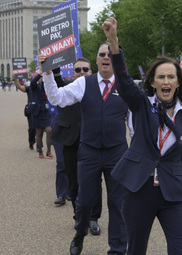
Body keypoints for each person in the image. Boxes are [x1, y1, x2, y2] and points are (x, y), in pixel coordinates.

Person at [102, 17, 182, 255]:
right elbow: (125, 81)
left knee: (181, 252)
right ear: (152, 82)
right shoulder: (140, 103)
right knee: (136, 250)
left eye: (171, 77)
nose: (166, 81)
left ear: (178, 82)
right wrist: (114, 43)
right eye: (161, 77)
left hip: (174, 193)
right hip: (139, 190)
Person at [41, 43, 129, 254]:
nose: (105, 57)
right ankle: (80, 234)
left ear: (117, 59)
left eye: (110, 54)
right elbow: (57, 98)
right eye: (101, 54)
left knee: (119, 203)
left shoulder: (126, 87)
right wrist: (47, 73)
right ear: (96, 60)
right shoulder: (84, 83)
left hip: (116, 152)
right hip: (89, 152)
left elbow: (134, 126)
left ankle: (117, 249)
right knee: (84, 201)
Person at [51, 58, 103, 234]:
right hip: (71, 141)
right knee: (74, 182)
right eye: (78, 70)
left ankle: (94, 218)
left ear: (91, 71)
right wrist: (53, 59)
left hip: (94, 141)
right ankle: (79, 217)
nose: (81, 72)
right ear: (73, 73)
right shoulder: (68, 88)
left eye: (85, 69)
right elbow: (56, 81)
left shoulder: (99, 88)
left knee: (95, 182)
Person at [30, 71, 53, 158]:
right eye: (39, 77)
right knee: (39, 133)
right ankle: (40, 152)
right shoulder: (34, 86)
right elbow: (33, 82)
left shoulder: (45, 85)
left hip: (45, 111)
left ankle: (49, 151)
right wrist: (39, 74)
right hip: (37, 112)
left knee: (49, 130)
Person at [13, 74, 36, 150]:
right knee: (32, 128)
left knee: (40, 129)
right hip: (31, 110)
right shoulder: (29, 88)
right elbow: (19, 87)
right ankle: (31, 142)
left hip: (40, 110)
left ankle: (39, 144)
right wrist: (15, 79)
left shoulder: (42, 88)